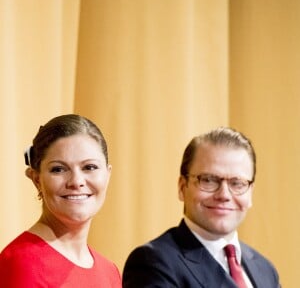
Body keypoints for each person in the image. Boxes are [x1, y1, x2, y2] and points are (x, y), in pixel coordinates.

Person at [123, 127, 281, 287]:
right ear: (182, 187)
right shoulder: (152, 262)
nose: (224, 195)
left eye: (237, 183)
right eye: (209, 180)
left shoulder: (265, 270)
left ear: (250, 192)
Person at [0, 114, 122, 287]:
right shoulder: (23, 264)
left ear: (107, 175)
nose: (76, 181)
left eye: (90, 167)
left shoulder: (110, 271)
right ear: (36, 180)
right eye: (58, 169)